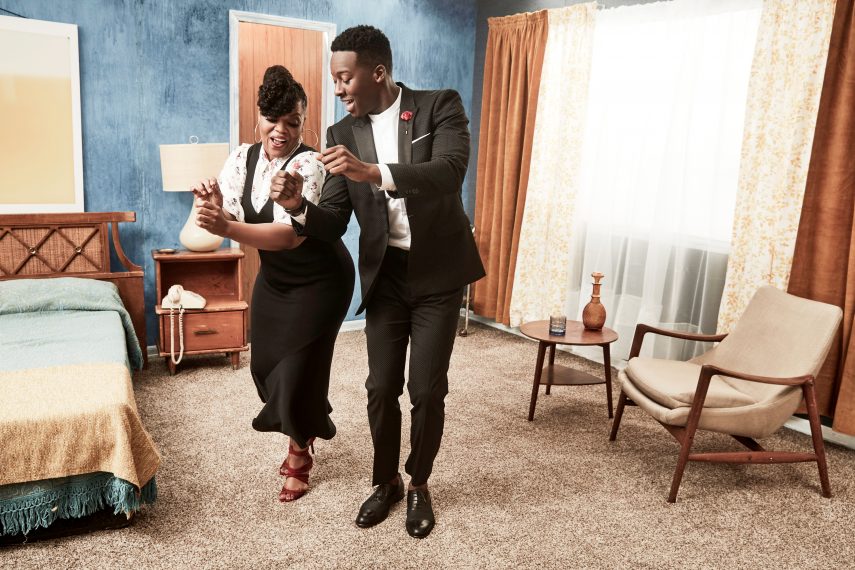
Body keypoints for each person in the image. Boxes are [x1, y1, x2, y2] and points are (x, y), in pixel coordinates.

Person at [271, 26, 485, 538]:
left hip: (438, 274)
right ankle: (385, 480)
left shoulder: (439, 106)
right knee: (379, 387)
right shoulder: (342, 133)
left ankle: (418, 484)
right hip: (385, 273)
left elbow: (449, 171)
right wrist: (300, 206)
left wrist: (373, 173)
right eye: (335, 80)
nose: (339, 89)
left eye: (345, 78)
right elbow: (337, 218)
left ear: (378, 72)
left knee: (426, 390)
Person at [192, 65, 355, 503]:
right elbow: (222, 215)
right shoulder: (241, 159)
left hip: (321, 281)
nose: (280, 130)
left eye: (293, 122)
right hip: (277, 281)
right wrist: (212, 208)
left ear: (305, 124)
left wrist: (226, 227)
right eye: (272, 119)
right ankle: (308, 416)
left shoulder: (309, 165)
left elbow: (287, 235)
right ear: (257, 117)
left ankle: (299, 452)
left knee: (297, 369)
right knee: (266, 366)